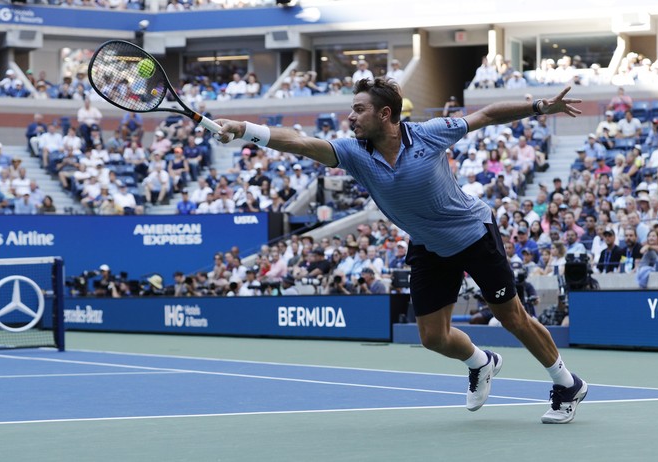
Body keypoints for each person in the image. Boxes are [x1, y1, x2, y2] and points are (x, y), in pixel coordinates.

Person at [214, 78, 587, 424]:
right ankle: (481, 362)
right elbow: (299, 142)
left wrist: (540, 107)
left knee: (513, 318)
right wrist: (246, 130)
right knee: (432, 337)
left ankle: (567, 383)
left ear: (385, 114)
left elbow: (486, 115)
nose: (350, 116)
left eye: (359, 109)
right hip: (428, 246)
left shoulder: (430, 134)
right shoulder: (353, 153)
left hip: (473, 234)